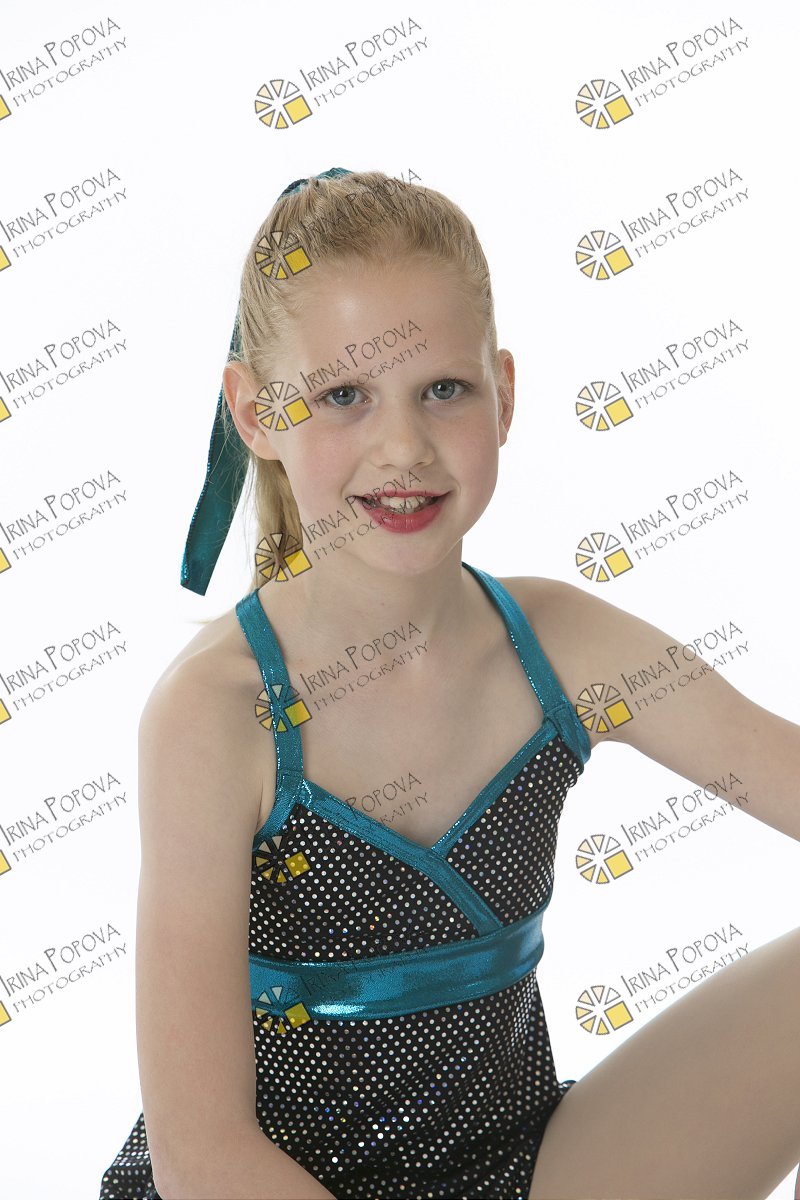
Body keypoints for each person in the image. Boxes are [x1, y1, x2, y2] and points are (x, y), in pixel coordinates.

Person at [97, 169, 800, 1200]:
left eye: (443, 390)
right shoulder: (219, 714)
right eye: (344, 397)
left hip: (511, 1174)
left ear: (503, 394)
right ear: (254, 411)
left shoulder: (559, 647)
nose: (403, 447)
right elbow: (202, 1159)